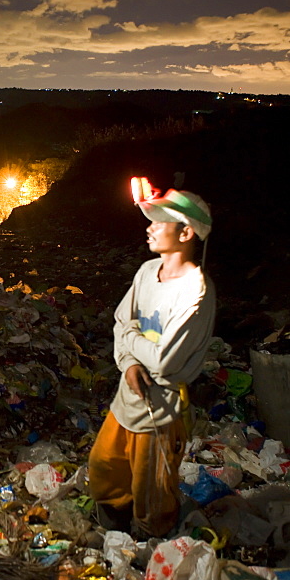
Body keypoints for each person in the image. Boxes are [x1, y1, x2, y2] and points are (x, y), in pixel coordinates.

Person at [88, 188, 215, 537]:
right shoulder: (147, 271)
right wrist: (128, 363)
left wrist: (130, 340)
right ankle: (113, 540)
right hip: (127, 399)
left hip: (161, 410)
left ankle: (147, 555)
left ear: (186, 233)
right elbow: (120, 319)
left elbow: (165, 363)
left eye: (159, 222)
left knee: (153, 494)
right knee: (104, 470)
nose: (149, 228)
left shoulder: (195, 292)